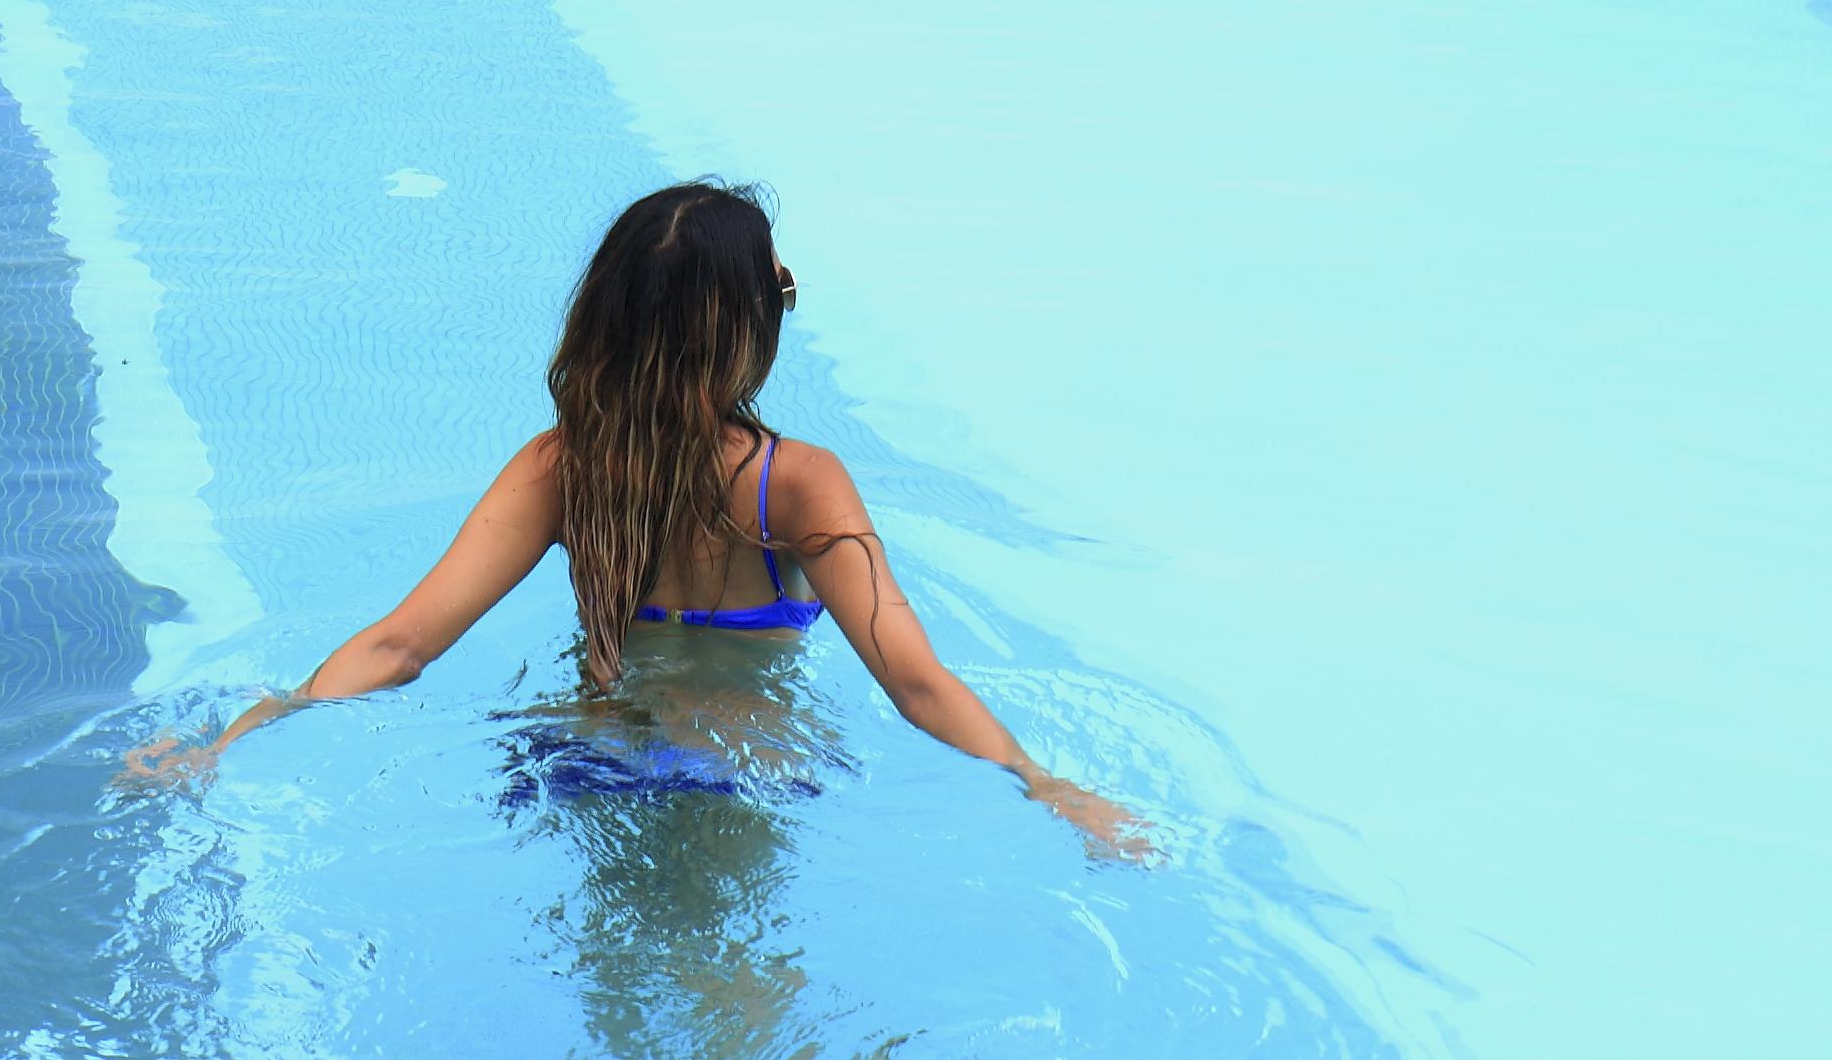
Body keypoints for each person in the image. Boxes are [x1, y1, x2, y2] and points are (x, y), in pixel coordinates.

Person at [124, 178, 1153, 858]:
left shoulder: (563, 470)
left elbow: (399, 646)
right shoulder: (798, 486)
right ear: (752, 326)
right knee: (732, 1034)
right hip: (747, 778)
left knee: (621, 1007)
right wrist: (1047, 786)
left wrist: (236, 737)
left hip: (586, 760)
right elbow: (916, 682)